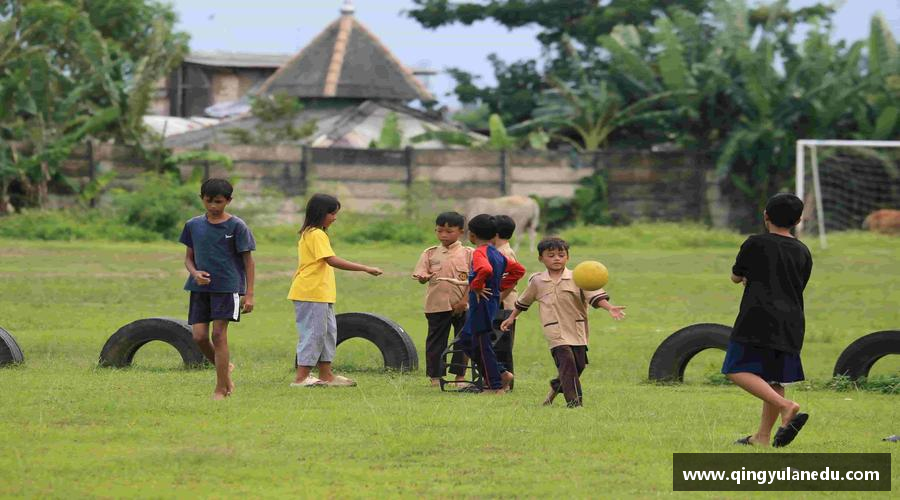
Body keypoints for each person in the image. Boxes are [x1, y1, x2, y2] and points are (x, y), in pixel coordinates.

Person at [723, 193, 812, 447]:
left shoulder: (755, 243)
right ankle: (761, 437)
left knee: (735, 368)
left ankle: (786, 406)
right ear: (797, 221)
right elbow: (798, 284)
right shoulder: (803, 251)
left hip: (757, 317)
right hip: (792, 321)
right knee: (774, 379)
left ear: (766, 216)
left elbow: (735, 276)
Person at [500, 237, 626, 407]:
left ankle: (555, 387)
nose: (556, 258)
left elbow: (594, 297)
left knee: (578, 366)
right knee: (567, 363)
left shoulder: (579, 276)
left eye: (561, 254)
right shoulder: (537, 281)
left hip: (577, 328)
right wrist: (511, 317)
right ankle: (575, 403)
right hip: (554, 331)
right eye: (551, 255)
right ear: (541, 258)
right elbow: (524, 301)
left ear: (568, 257)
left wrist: (609, 307)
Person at [288, 194, 383, 388]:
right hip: (311, 292)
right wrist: (364, 268)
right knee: (313, 334)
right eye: (332, 213)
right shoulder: (315, 234)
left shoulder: (314, 233)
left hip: (321, 294)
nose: (334, 217)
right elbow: (331, 259)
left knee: (328, 333)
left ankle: (326, 375)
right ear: (321, 213)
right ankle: (301, 377)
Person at [180, 178, 256, 400]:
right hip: (199, 289)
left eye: (218, 202)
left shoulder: (237, 227)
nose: (213, 206)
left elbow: (248, 262)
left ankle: (221, 388)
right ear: (201, 199)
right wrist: (195, 273)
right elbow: (188, 259)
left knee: (219, 334)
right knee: (199, 336)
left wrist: (248, 294)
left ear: (229, 201)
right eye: (208, 201)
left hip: (227, 288)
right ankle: (226, 372)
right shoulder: (193, 225)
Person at [439, 214, 525, 394]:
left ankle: (494, 385)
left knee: (481, 343)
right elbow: (518, 271)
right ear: (495, 236)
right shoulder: (496, 252)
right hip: (490, 303)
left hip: (481, 304)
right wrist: (498, 287)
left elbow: (485, 269)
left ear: (471, 235)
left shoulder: (479, 252)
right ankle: (501, 373)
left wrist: (477, 287)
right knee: (467, 340)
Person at [412, 212, 473, 387]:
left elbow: (474, 280)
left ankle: (459, 377)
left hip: (463, 304)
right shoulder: (430, 253)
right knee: (436, 341)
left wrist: (464, 301)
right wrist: (423, 277)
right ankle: (435, 377)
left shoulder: (469, 254)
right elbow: (421, 273)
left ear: (461, 232)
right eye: (440, 231)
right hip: (436, 304)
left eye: (449, 231)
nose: (444, 235)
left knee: (463, 341)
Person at [492, 214, 519, 379]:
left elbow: (510, 282)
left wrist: (497, 300)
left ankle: (505, 380)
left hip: (503, 305)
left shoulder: (504, 253)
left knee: (502, 345)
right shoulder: (499, 251)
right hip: (500, 304)